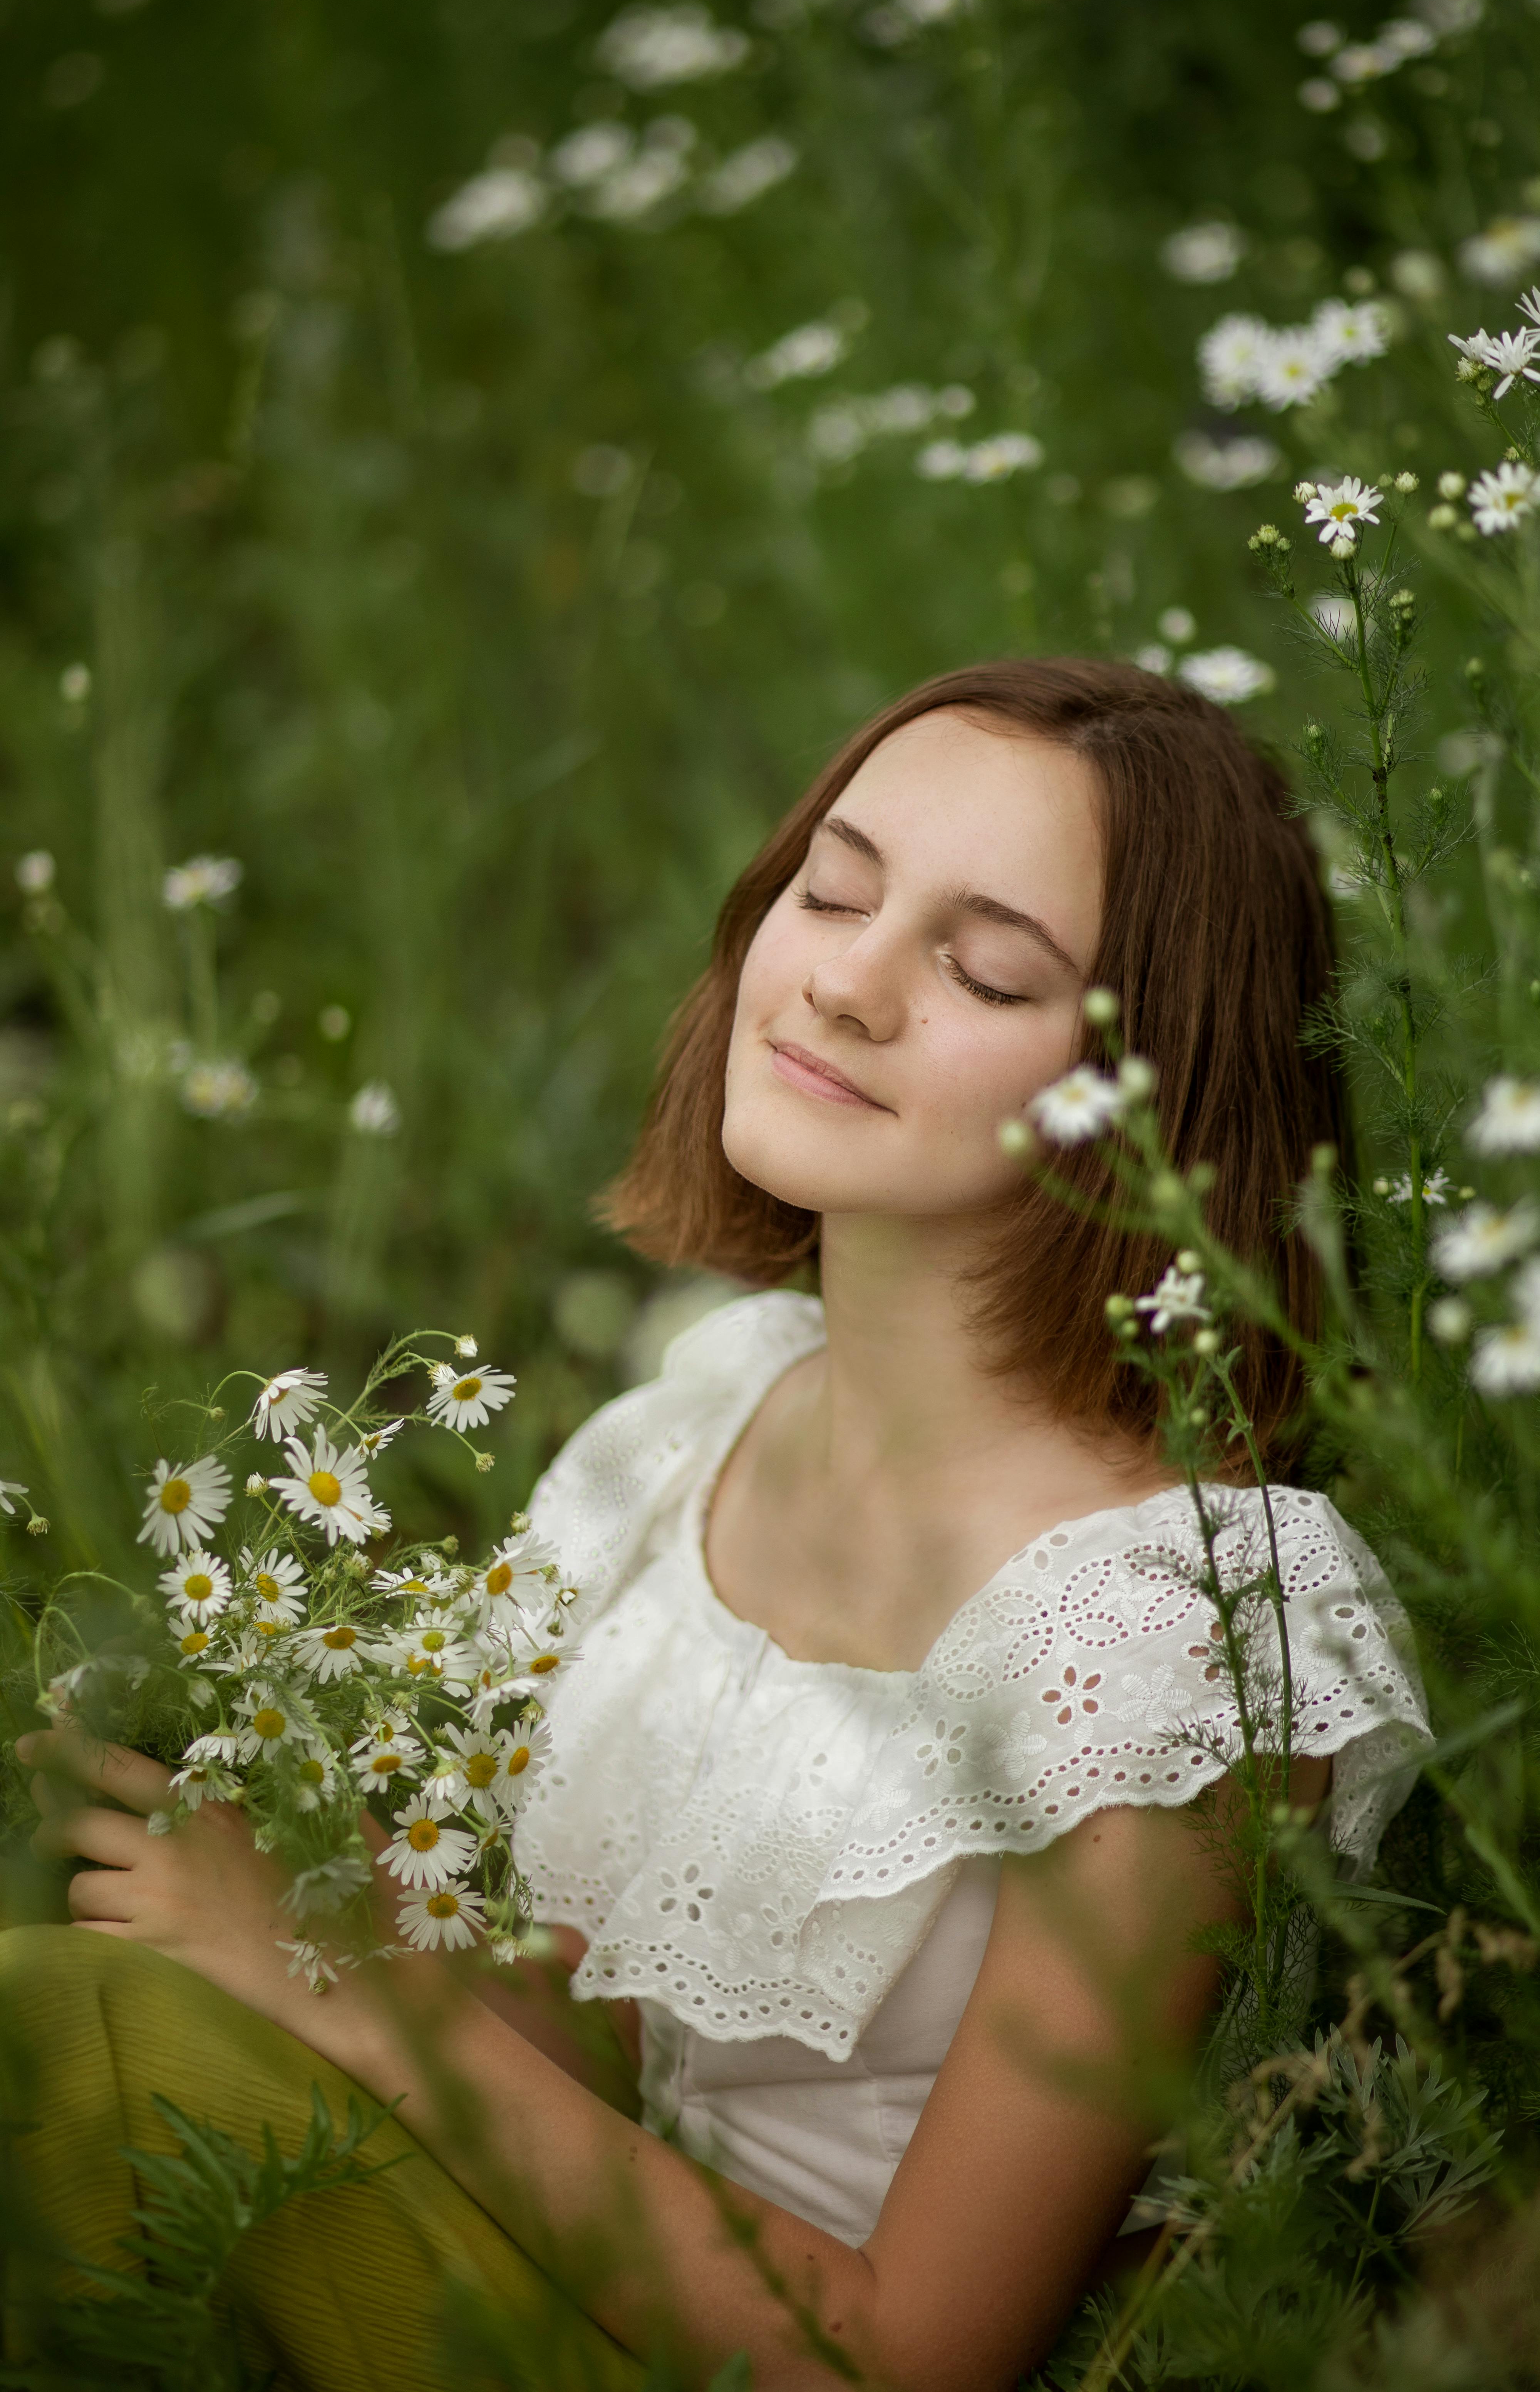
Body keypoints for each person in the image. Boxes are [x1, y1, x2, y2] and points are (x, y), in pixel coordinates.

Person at [7, 659, 1428, 2392]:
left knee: (75, 2042)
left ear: (1154, 1095)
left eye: (982, 967)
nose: (844, 979)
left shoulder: (1189, 1621)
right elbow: (611, 2043)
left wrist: (344, 2007)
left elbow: (913, 2359)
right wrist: (341, 1904)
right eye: (832, 890)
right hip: (519, 2238)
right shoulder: (700, 1418)